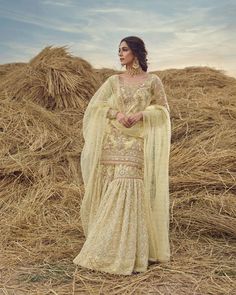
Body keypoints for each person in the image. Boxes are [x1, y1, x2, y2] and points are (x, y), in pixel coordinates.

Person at [73, 36, 171, 275]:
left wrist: (143, 115)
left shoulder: (152, 81)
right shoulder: (113, 81)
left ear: (135, 52)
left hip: (136, 142)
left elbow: (164, 109)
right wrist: (115, 113)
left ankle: (129, 252)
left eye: (124, 50)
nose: (120, 54)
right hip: (112, 141)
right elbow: (95, 106)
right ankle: (104, 246)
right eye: (118, 50)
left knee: (128, 187)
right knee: (108, 189)